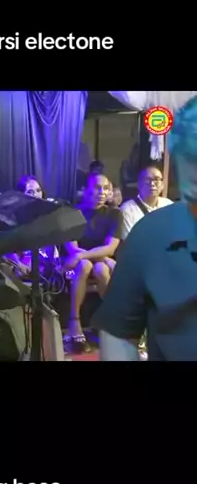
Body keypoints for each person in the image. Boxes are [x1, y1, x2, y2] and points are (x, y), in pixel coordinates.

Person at [95, 96, 197, 361]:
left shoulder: (165, 206)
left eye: (157, 180)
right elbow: (118, 337)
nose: (154, 185)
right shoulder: (148, 229)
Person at [63, 173, 123, 353]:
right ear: (86, 190)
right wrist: (95, 257)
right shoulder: (73, 213)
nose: (102, 192)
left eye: (106, 188)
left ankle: (109, 321)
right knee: (86, 266)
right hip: (77, 264)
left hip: (96, 262)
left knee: (100, 269)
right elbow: (72, 248)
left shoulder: (115, 214)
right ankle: (74, 321)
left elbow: (110, 248)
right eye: (97, 188)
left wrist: (85, 256)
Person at [119, 166, 173, 239]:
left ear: (162, 185)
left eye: (157, 179)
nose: (152, 184)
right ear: (139, 184)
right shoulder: (127, 209)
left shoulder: (169, 205)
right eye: (147, 180)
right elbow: (130, 241)